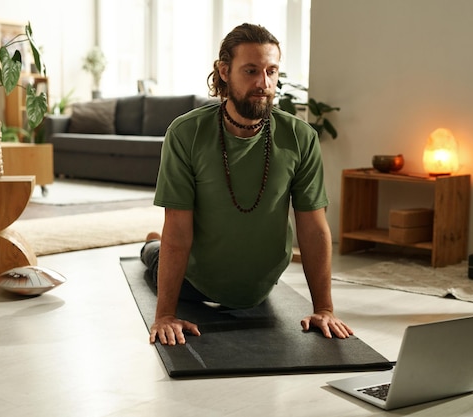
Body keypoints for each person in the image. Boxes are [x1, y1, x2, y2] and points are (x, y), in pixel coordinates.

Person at [141, 23, 353, 346]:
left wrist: (324, 308)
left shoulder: (301, 137)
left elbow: (313, 228)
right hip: (194, 280)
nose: (263, 83)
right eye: (251, 70)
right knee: (157, 252)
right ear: (224, 71)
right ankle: (149, 245)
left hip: (259, 286)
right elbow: (179, 230)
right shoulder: (185, 134)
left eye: (271, 71)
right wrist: (165, 315)